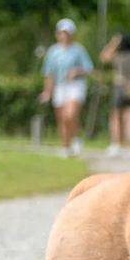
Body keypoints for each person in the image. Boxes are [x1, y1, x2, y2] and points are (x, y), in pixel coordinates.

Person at [38, 18, 93, 157]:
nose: (64, 36)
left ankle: (75, 138)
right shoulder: (53, 51)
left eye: (67, 33)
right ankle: (65, 146)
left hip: (75, 85)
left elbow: (88, 68)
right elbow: (49, 74)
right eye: (61, 33)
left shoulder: (79, 50)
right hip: (60, 86)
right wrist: (47, 92)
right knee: (62, 117)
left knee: (70, 115)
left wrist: (76, 71)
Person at [100, 32, 130, 158]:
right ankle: (129, 148)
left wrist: (113, 42)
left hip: (120, 87)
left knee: (116, 117)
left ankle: (116, 144)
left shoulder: (118, 56)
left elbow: (104, 57)